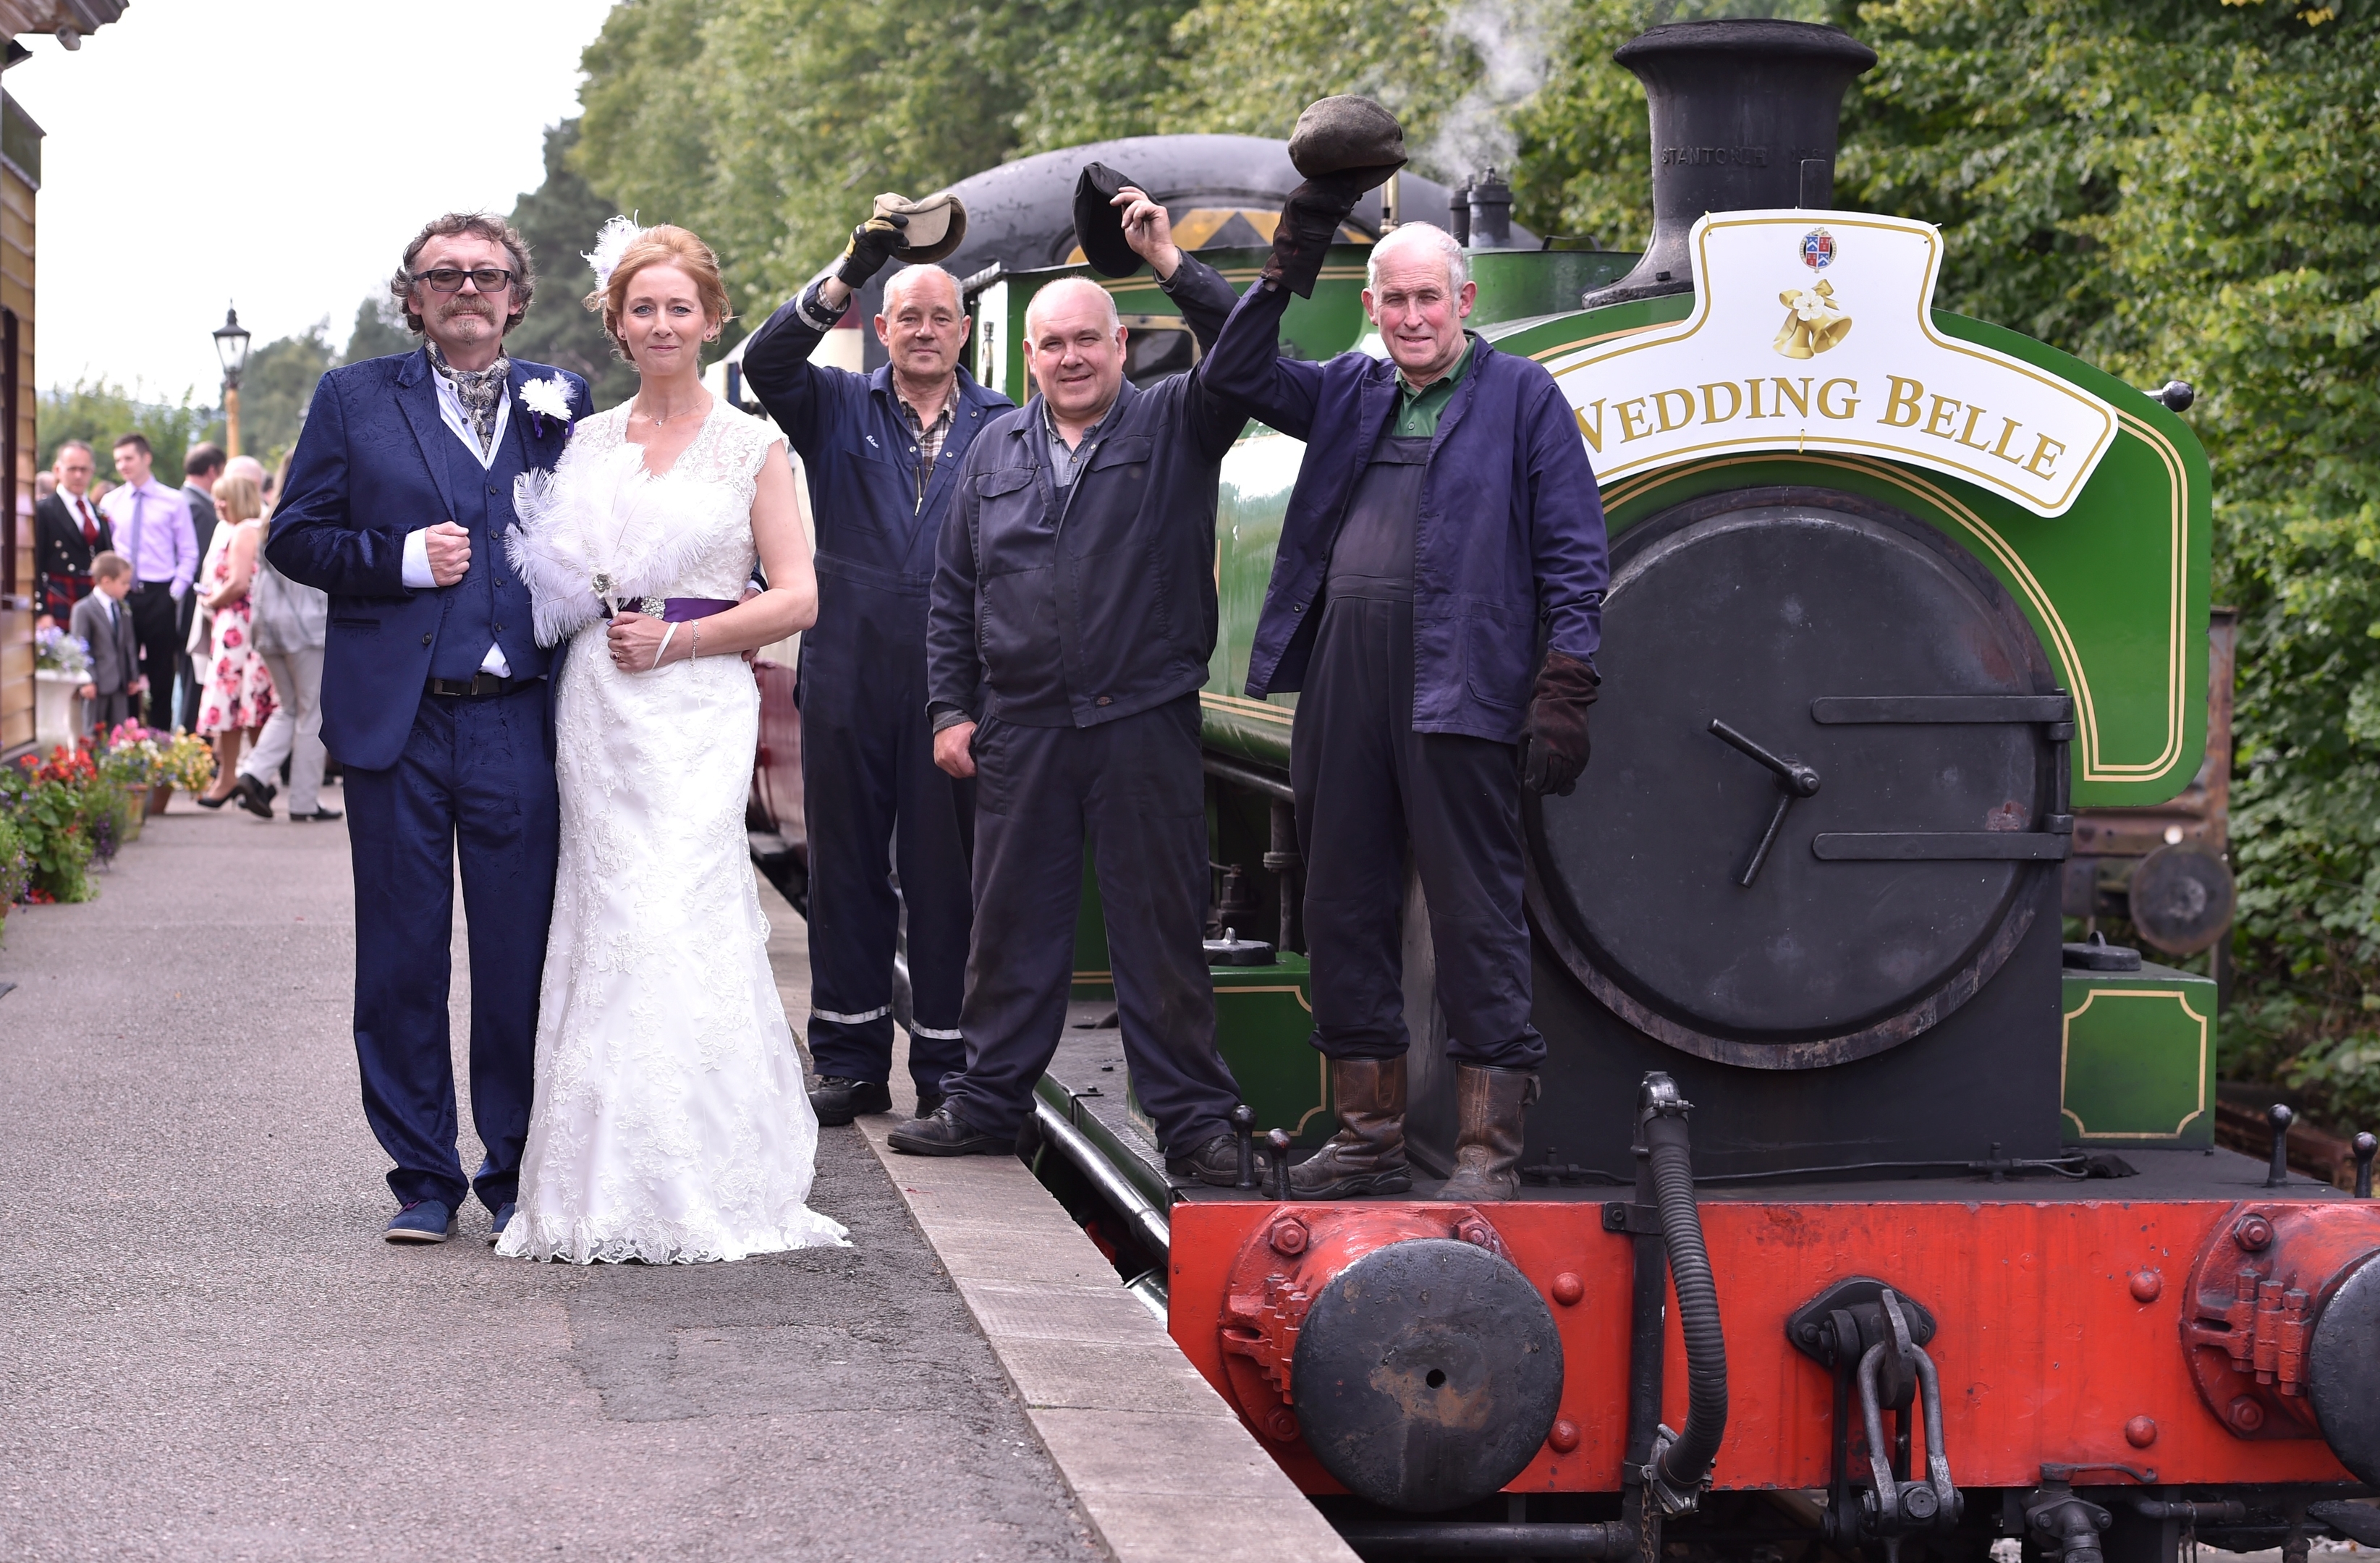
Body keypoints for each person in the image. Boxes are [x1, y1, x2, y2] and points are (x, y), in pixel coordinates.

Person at [1202, 128, 1608, 1202]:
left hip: (1462, 684)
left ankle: (1486, 1151)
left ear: (1464, 301)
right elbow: (1238, 369)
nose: (1414, 318)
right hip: (1343, 684)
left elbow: (1574, 555)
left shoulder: (1523, 400)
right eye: (1395, 301)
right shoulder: (1345, 388)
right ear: (1372, 308)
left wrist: (1565, 684)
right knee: (1341, 904)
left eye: (1431, 299)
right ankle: (1371, 1136)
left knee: (1477, 913)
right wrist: (1300, 238)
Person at [893, 192, 1258, 1187]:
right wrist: (950, 709)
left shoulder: (1180, 422)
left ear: (1120, 343)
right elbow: (954, 593)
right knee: (1009, 933)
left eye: (1086, 340)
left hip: (1142, 725)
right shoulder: (993, 455)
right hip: (1021, 731)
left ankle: (1192, 1125)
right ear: (1029, 359)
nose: (1068, 358)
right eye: (1051, 344)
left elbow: (1241, 344)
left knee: (1160, 940)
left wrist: (1173, 263)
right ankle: (988, 1107)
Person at [497, 219, 845, 1263]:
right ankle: (586, 1183)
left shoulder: (754, 445)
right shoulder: (590, 442)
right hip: (601, 701)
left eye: (678, 307)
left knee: (680, 912)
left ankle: (705, 1173)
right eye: (641, 307)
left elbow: (798, 597)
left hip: (695, 703)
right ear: (617, 322)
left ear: (709, 319)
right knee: (603, 915)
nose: (660, 323)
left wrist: (684, 638)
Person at [268, 212, 595, 1245]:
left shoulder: (565, 402)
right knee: (402, 959)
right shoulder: (353, 398)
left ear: (514, 296)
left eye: (486, 275)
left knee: (518, 957)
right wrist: (403, 559)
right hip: (399, 727)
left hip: (519, 721)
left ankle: (510, 1170)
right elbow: (293, 536)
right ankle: (421, 1174)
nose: (466, 289)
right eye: (442, 275)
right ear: (411, 296)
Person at [737, 206, 1012, 1127]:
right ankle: (849, 1060)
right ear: (882, 329)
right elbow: (765, 362)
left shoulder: (1007, 427)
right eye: (908, 317)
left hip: (954, 688)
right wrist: (851, 268)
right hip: (848, 671)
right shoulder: (835, 406)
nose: (925, 331)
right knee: (846, 871)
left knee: (946, 880)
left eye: (941, 317)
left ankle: (946, 1070)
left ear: (965, 330)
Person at [234, 451, 336, 822]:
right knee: (311, 713)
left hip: (268, 626)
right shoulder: (311, 510)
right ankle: (304, 802)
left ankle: (253, 773)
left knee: (289, 707)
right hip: (304, 626)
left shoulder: (268, 515)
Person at [98, 433, 198, 730]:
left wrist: (174, 593)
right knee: (124, 669)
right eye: (118, 460)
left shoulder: (174, 500)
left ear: (146, 458)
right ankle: (126, 738)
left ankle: (161, 741)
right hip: (122, 595)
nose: (122, 465)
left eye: (128, 458)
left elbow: (189, 552)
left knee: (161, 672)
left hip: (159, 594)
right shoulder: (110, 502)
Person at [190, 473, 276, 808]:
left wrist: (211, 600)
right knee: (249, 706)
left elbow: (239, 583)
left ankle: (234, 779)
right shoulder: (251, 527)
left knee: (234, 704)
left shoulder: (244, 530)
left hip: (238, 628)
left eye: (223, 498)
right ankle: (255, 779)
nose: (217, 505)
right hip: (243, 628)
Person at [177, 444, 227, 734]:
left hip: (184, 606)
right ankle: (193, 744)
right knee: (193, 683)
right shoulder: (199, 510)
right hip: (193, 608)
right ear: (213, 471)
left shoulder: (182, 501)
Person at [35, 441, 114, 625]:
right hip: (60, 597)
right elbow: (35, 564)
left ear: (92, 471)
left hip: (95, 599)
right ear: (57, 470)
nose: (78, 475)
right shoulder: (44, 510)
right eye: (72, 469)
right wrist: (42, 611)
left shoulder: (98, 512)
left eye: (84, 469)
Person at [69, 552, 145, 731]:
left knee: (118, 732)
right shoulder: (83, 610)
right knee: (93, 731)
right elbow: (80, 647)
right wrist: (87, 680)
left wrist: (133, 676)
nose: (128, 588)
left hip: (119, 682)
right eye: (124, 583)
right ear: (106, 582)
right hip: (97, 684)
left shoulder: (122, 608)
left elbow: (129, 644)